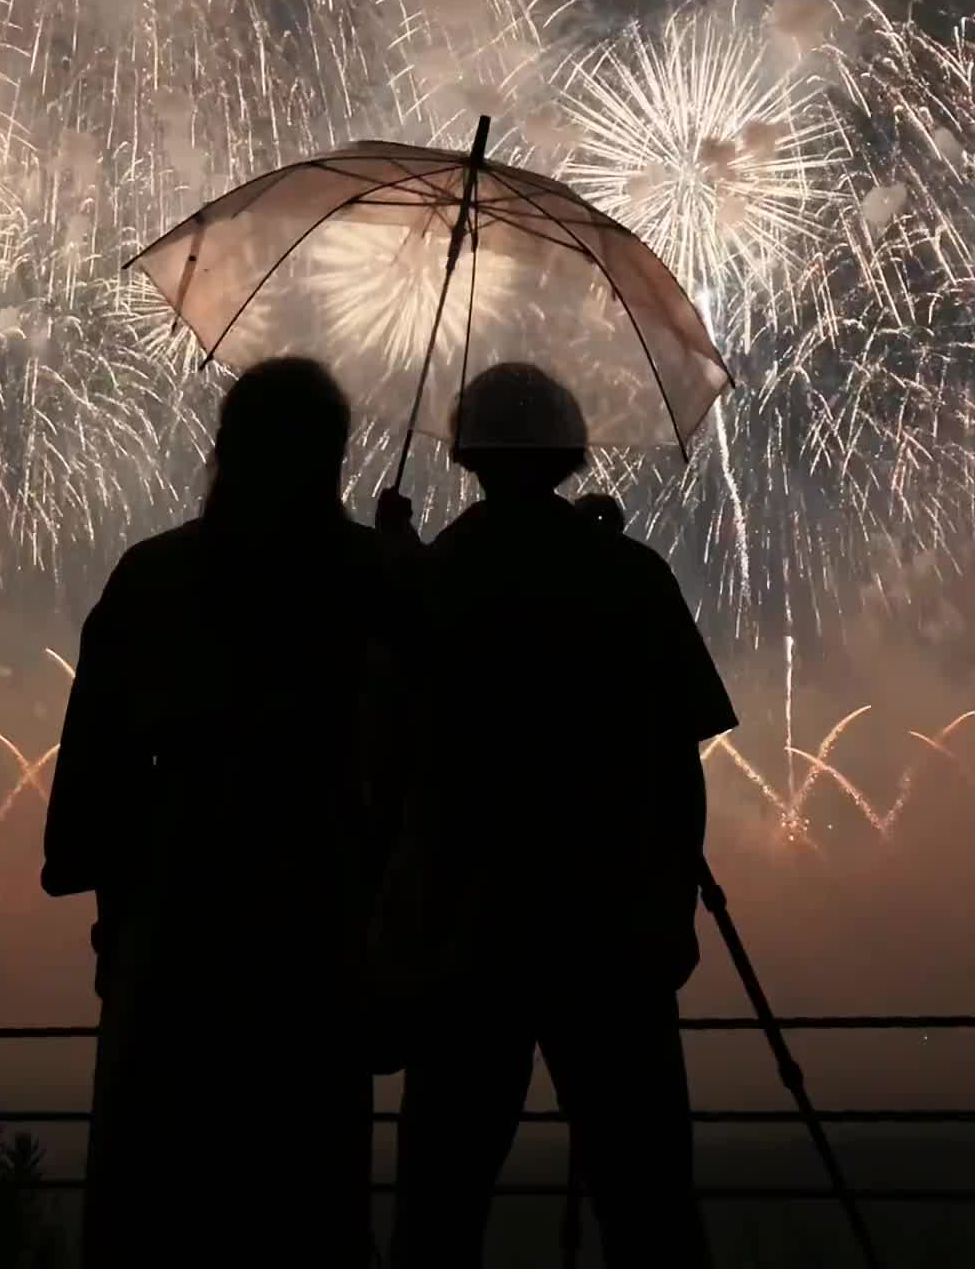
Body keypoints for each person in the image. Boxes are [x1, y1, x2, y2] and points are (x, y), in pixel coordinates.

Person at [43, 357, 415, 1269]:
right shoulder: (376, 581)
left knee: (155, 1195)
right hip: (320, 918)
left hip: (173, 918)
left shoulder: (156, 576)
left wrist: (108, 905)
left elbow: (96, 762)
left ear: (228, 446)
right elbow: (415, 765)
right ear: (336, 454)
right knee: (310, 1195)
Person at [376, 361, 736, 1269]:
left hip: (465, 939)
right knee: (649, 1202)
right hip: (609, 931)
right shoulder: (629, 576)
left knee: (438, 1208)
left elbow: (390, 763)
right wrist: (668, 906)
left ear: (467, 452)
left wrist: (397, 562)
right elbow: (679, 763)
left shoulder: (435, 579)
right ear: (570, 451)